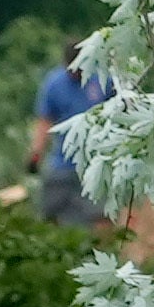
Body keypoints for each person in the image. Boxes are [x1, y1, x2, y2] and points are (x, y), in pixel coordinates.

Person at [29, 41, 112, 226]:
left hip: (97, 163)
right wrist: (36, 155)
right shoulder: (54, 84)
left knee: (100, 217)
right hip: (64, 162)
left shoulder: (102, 79)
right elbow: (44, 122)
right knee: (51, 215)